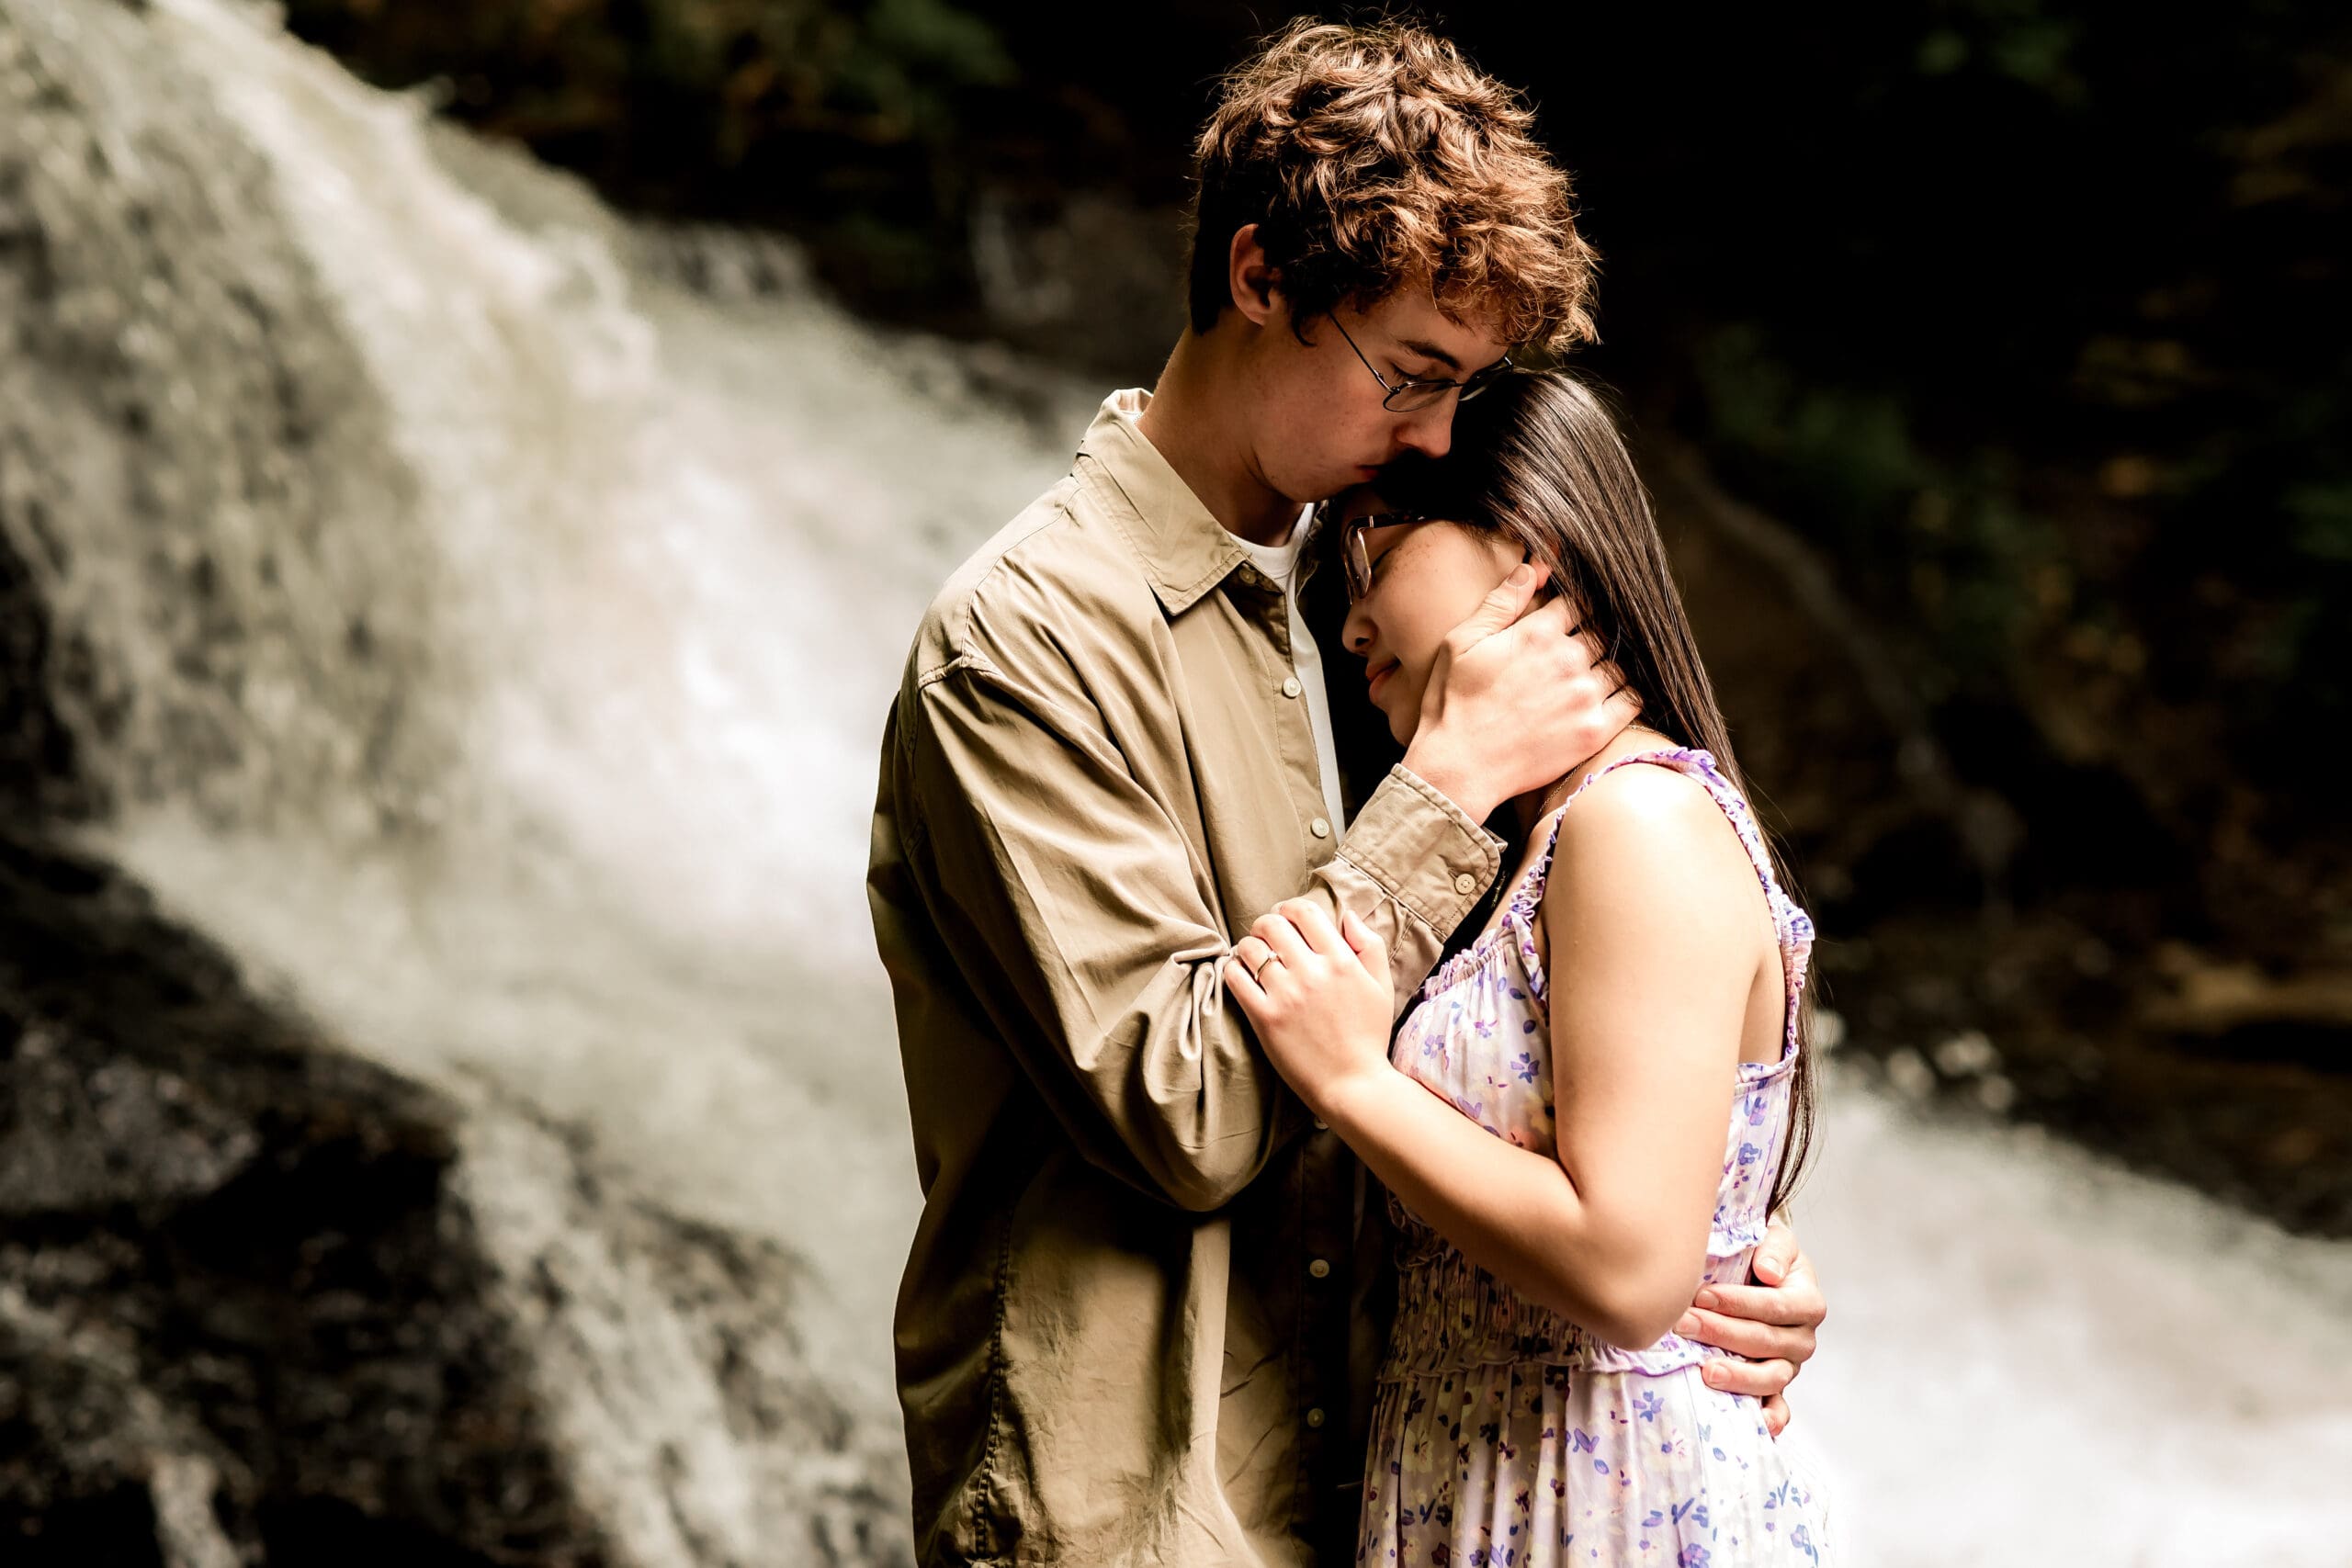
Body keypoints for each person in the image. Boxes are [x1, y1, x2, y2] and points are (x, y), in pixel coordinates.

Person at [866, 20, 1826, 1564]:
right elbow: (1186, 1109)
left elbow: (1509, 1045)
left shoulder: (1353, 615)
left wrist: (1705, 1239)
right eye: (1415, 374)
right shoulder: (1026, 643)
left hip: (1379, 1485)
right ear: (1261, 279)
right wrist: (1444, 782)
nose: (1444, 434)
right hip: (1140, 1514)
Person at [1225, 370, 1834, 1564]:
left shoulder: (1634, 827)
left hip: (1598, 1503)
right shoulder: (1523, 849)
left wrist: (1355, 1084)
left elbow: (1624, 1268)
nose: (1349, 628)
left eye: (1375, 553)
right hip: (1487, 1479)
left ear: (1529, 540)